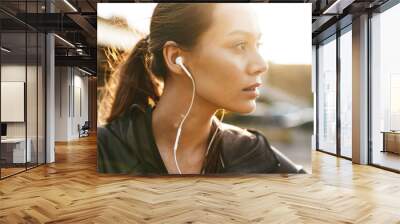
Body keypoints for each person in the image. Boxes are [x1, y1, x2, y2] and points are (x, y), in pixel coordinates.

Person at [97, 3, 306, 175]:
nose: (261, 65)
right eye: (240, 45)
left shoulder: (252, 152)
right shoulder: (103, 150)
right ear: (176, 58)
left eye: (257, 45)